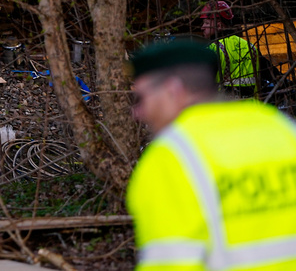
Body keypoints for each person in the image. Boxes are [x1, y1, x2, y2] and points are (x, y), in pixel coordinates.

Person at [126, 38, 296, 270]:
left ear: (173, 91)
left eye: (142, 98)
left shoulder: (170, 157)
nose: (138, 113)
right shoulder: (283, 128)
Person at [200, 0, 258, 96]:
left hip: (223, 108)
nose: (202, 27)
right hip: (251, 108)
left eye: (206, 23)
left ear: (218, 25)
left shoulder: (212, 49)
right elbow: (271, 74)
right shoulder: (250, 46)